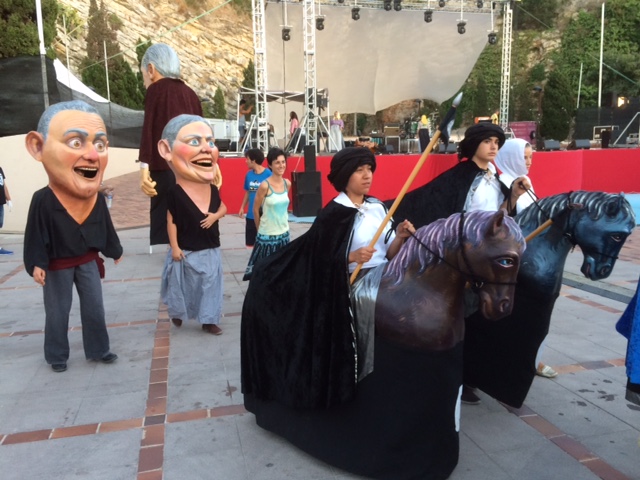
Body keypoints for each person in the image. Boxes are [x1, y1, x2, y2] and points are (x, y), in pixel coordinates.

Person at [242, 147, 414, 408]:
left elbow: (390, 253)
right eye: (359, 170)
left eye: (369, 169)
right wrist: (350, 257)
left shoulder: (378, 207)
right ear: (345, 175)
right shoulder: (333, 213)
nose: (367, 175)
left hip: (384, 274)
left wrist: (399, 237)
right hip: (354, 280)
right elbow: (317, 259)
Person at [392, 123, 531, 404]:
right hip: (463, 257)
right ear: (474, 144)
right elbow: (438, 208)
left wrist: (513, 196)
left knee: (481, 318)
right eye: (487, 141)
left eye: (496, 142)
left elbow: (499, 219)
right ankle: (453, 377)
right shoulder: (458, 177)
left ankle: (472, 374)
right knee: (459, 318)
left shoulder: (496, 179)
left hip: (486, 259)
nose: (493, 147)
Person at [23, 100, 122, 373]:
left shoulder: (95, 198)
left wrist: (114, 250)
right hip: (57, 265)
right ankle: (57, 355)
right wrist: (37, 264)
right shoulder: (43, 200)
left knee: (94, 308)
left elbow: (105, 226)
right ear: (38, 146)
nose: (91, 155)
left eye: (99, 145)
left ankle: (99, 349)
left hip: (87, 261)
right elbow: (35, 234)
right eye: (76, 143)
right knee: (57, 312)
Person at [158, 114, 227, 336]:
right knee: (181, 285)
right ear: (166, 150)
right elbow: (171, 220)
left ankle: (209, 320)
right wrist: (174, 247)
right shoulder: (175, 193)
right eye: (194, 141)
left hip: (210, 247)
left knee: (211, 286)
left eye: (211, 142)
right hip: (186, 250)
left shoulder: (213, 190)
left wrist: (215, 217)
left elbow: (223, 207)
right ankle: (178, 312)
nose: (207, 149)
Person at [495, 139, 558, 379]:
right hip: (515, 259)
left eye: (531, 157)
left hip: (532, 257)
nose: (529, 162)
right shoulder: (504, 183)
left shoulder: (525, 181)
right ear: (512, 157)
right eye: (524, 157)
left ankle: (533, 358)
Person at [138, 43, 203, 247]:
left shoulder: (155, 91)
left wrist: (144, 166)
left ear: (151, 69)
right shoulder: (191, 93)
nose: (144, 81)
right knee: (189, 210)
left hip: (164, 165)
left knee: (167, 214)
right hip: (192, 166)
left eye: (143, 75)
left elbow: (149, 129)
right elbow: (202, 130)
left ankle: (173, 250)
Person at [243, 148, 291, 281]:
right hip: (267, 237)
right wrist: (260, 230)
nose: (281, 165)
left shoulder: (287, 184)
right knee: (264, 274)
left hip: (284, 235)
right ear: (270, 164)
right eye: (277, 162)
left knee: (281, 273)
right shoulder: (264, 186)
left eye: (283, 162)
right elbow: (255, 209)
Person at [238, 148, 272, 248]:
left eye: (247, 159)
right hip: (251, 215)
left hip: (265, 216)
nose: (246, 161)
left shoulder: (268, 174)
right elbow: (248, 191)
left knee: (265, 243)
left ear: (253, 160)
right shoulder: (249, 175)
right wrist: (242, 207)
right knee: (252, 244)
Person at [0, 165, 13, 254]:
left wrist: (8, 199)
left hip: (1, 201)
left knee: (0, 223)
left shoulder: (0, 169)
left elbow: (3, 184)